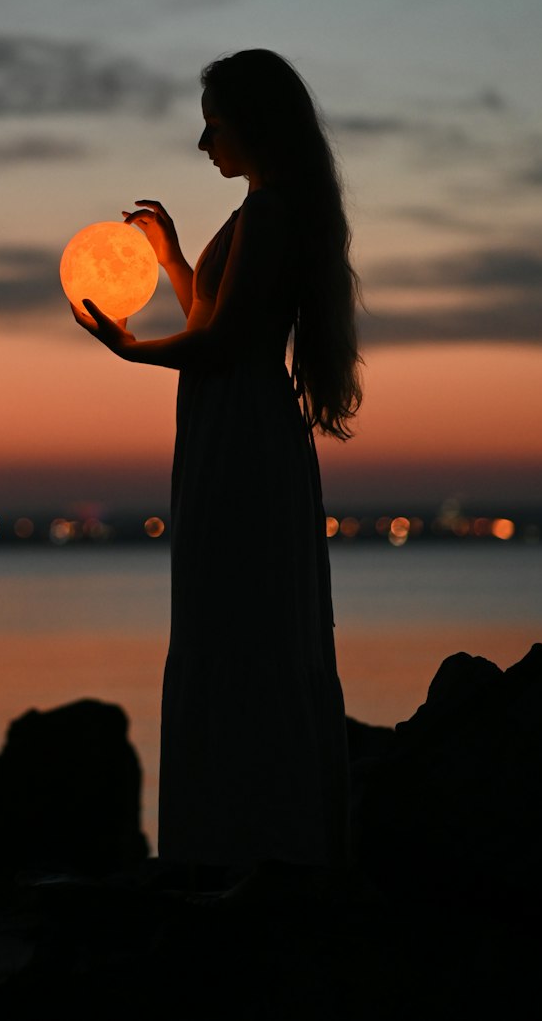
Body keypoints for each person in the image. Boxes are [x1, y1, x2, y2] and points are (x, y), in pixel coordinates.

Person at [72, 48, 361, 893]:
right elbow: (216, 314)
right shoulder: (263, 213)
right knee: (232, 613)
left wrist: (130, 351)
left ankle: (243, 839)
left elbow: (226, 342)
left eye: (217, 124)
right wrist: (168, 259)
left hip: (239, 429)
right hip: (229, 422)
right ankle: (246, 832)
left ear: (254, 126)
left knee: (234, 615)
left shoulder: (271, 215)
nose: (204, 142)